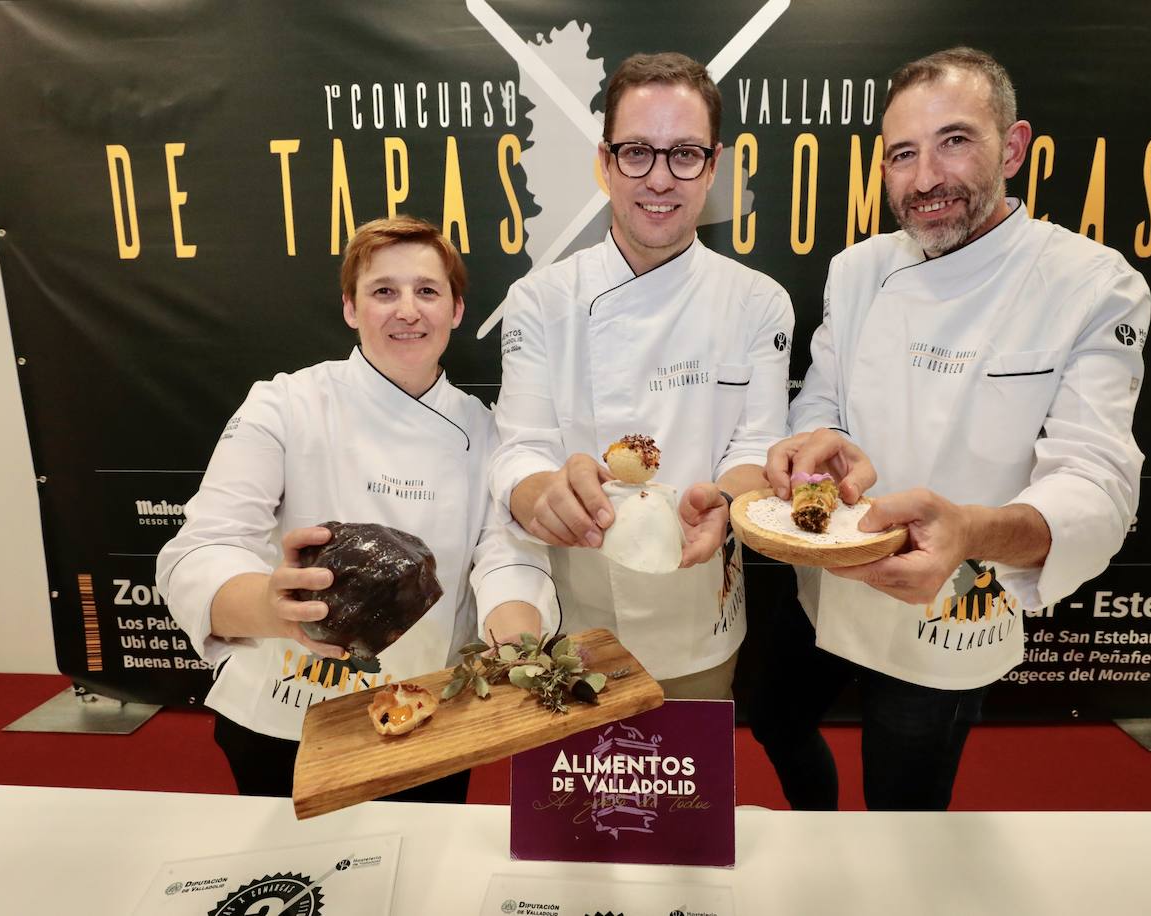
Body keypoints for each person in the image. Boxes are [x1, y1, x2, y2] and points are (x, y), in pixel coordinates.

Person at [750, 47, 1150, 810]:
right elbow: (821, 402)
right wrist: (817, 445)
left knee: (905, 812)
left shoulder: (1094, 285)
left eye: (955, 141)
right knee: (773, 721)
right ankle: (820, 831)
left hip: (950, 604)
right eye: (903, 154)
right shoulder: (858, 269)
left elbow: (1097, 485)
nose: (926, 178)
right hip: (827, 581)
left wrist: (965, 530)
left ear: (1015, 146)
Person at [156, 215, 556, 800]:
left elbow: (506, 560)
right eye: (383, 292)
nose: (408, 310)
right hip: (285, 715)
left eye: (427, 291)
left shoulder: (486, 432)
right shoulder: (284, 404)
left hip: (424, 714)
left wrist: (517, 644)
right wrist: (276, 609)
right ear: (350, 308)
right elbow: (202, 549)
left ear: (457, 310)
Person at [489, 52, 794, 699]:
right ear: (604, 163)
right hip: (575, 612)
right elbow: (520, 447)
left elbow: (755, 447)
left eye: (684, 154)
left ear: (713, 166)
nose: (660, 178)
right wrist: (544, 495)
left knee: (684, 791)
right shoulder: (540, 300)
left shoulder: (759, 301)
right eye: (637, 153)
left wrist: (725, 503)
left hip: (699, 608)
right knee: (576, 797)